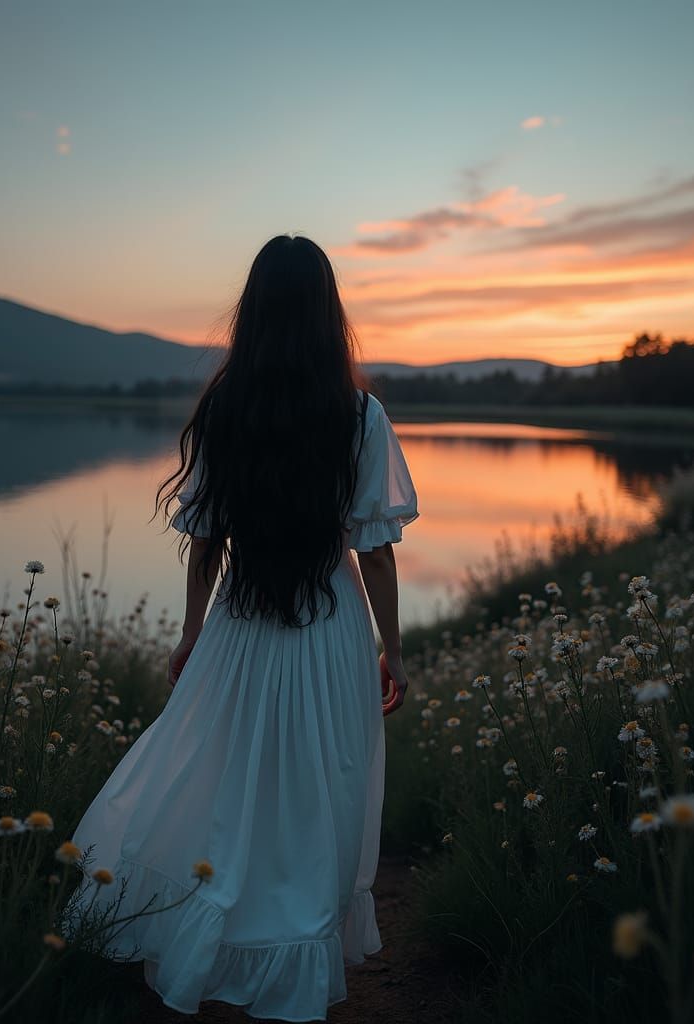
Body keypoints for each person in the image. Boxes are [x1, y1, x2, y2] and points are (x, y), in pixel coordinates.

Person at [61, 234, 419, 1021]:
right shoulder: (360, 415)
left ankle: (215, 933)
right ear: (329, 314)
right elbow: (378, 555)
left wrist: (193, 633)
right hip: (329, 633)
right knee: (317, 787)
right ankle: (291, 948)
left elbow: (206, 541)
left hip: (240, 625)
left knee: (224, 779)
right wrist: (392, 650)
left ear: (251, 312)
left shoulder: (228, 407)